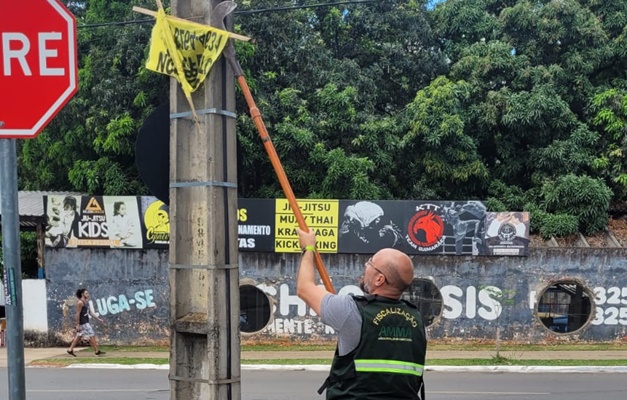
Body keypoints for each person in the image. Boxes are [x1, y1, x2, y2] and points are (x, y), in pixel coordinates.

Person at [296, 228, 427, 399]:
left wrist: (308, 249)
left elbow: (304, 288)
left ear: (380, 279)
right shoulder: (417, 320)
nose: (365, 266)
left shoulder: (350, 311)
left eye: (370, 263)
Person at [67, 288, 106, 357]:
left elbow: (90, 312)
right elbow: (77, 314)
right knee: (91, 334)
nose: (88, 294)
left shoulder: (86, 302)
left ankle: (70, 350)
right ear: (82, 294)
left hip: (85, 321)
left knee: (79, 335)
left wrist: (98, 319)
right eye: (86, 293)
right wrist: (77, 324)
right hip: (83, 323)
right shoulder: (80, 302)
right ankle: (96, 351)